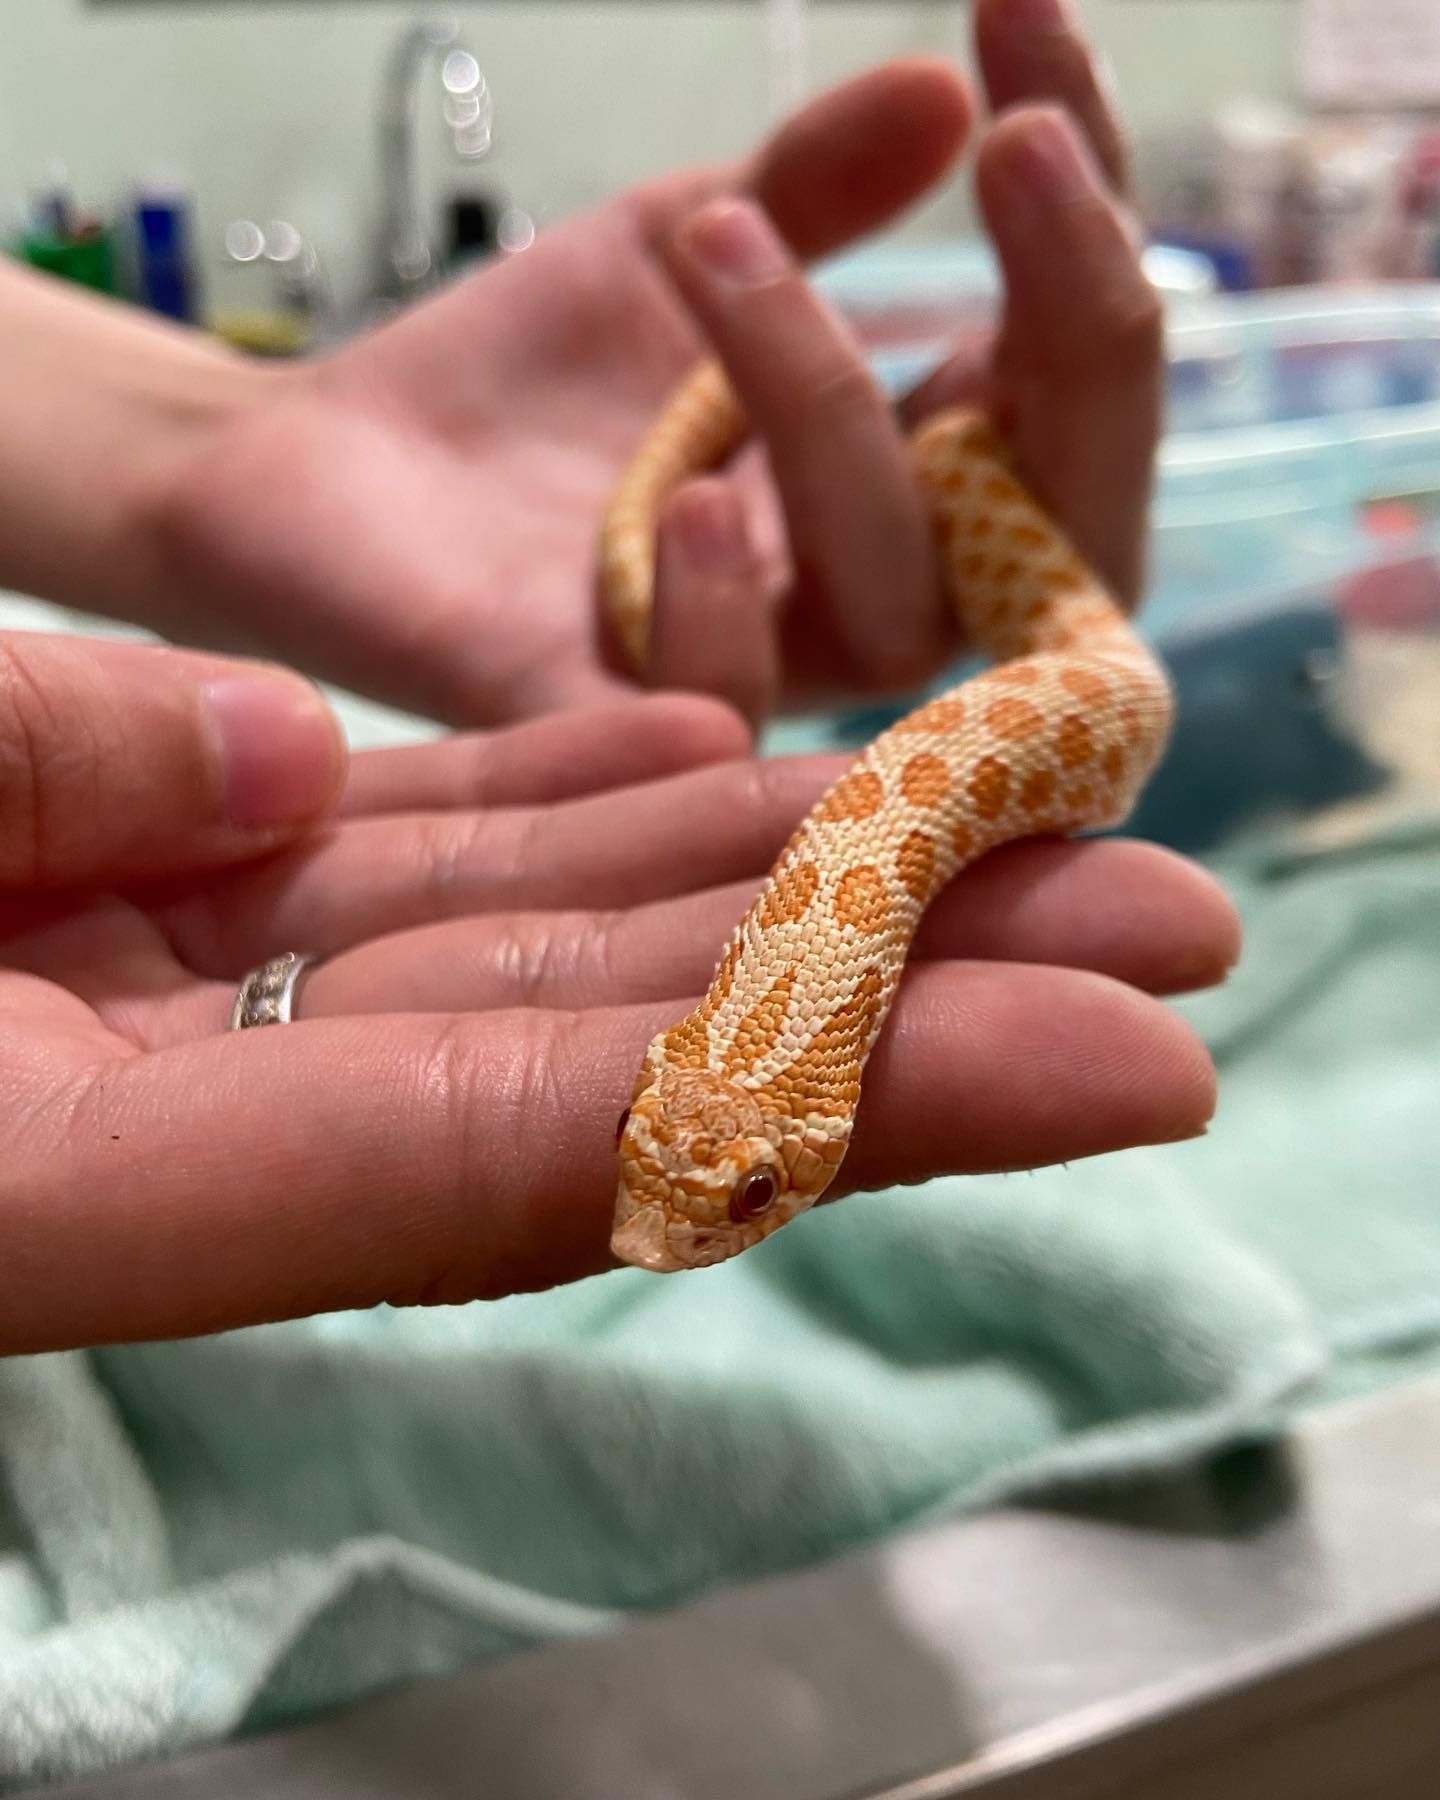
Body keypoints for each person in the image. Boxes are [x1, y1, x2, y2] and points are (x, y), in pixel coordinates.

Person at [0, 0, 1237, 1355]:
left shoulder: (841, 930)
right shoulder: (807, 982)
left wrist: (230, 449)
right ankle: (941, 463)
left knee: (955, 484)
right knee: (951, 496)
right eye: (681, 1160)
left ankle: (941, 462)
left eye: (742, 1188)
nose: (656, 1239)